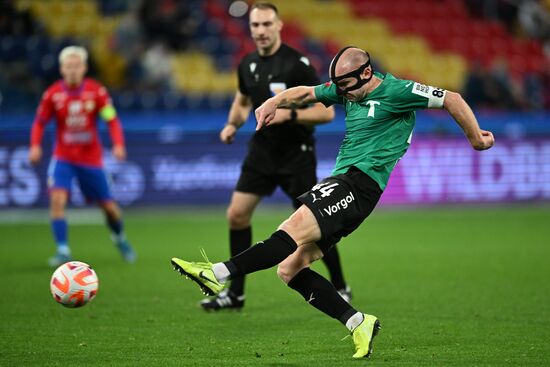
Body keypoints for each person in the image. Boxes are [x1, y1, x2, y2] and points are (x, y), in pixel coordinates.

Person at [171, 46, 494, 358]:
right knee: (290, 268)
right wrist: (275, 101)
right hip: (353, 188)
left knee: (291, 228)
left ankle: (217, 273)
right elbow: (307, 93)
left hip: (357, 182)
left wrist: (476, 137)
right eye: (338, 86)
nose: (342, 94)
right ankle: (358, 322)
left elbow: (452, 98)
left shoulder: (399, 91)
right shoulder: (344, 88)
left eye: (347, 86)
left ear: (367, 73)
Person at [199, 2, 352, 311]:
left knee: (313, 226)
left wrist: (287, 116)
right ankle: (235, 294)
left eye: (267, 24)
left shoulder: (297, 64)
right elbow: (242, 100)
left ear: (279, 25)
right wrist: (232, 124)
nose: (261, 31)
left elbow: (326, 112)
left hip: (296, 155)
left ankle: (340, 284)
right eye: (255, 26)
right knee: (237, 215)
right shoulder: (248, 64)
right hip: (262, 152)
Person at [29, 46, 136, 267]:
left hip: (91, 160)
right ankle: (62, 249)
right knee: (57, 200)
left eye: (77, 66)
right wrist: (35, 146)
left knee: (109, 208)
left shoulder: (96, 92)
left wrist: (118, 144)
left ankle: (119, 238)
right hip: (63, 158)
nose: (73, 70)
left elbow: (112, 119)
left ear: (84, 68)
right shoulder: (53, 95)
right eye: (69, 66)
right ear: (62, 69)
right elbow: (39, 123)